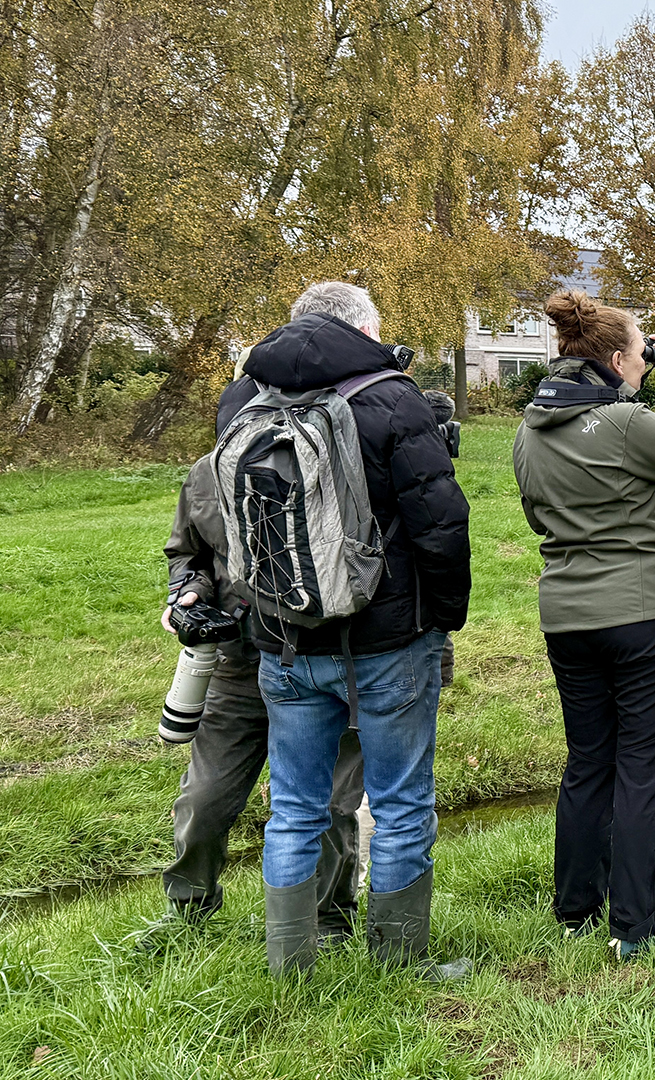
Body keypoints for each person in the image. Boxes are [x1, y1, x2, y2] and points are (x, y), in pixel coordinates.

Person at [222, 281, 471, 978]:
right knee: (400, 803)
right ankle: (400, 963)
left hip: (285, 634)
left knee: (295, 807)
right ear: (364, 326)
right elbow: (442, 525)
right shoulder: (395, 397)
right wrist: (442, 619)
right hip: (389, 640)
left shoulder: (245, 398)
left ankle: (289, 965)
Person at [510, 290, 655, 959]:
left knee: (588, 763)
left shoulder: (528, 432)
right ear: (619, 358)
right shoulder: (627, 423)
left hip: (567, 615)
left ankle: (575, 910)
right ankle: (633, 929)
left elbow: (540, 518)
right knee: (642, 770)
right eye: (641, 357)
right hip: (647, 613)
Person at [150, 399, 364, 945]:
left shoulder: (332, 464)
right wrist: (188, 591)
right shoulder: (204, 474)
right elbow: (185, 551)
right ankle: (187, 911)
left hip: (318, 663)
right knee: (204, 800)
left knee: (332, 807)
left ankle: (329, 921)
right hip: (236, 667)